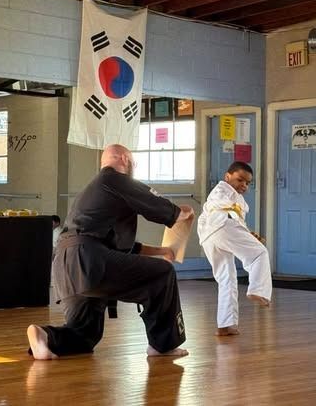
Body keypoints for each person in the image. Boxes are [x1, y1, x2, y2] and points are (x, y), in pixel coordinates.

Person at [27, 144, 194, 360]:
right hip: (88, 259)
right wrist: (181, 213)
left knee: (85, 335)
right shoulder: (114, 179)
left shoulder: (95, 190)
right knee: (163, 274)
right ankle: (162, 346)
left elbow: (118, 249)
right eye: (133, 162)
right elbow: (155, 204)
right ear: (124, 159)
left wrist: (162, 250)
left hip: (67, 266)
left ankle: (44, 336)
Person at [197, 161, 272, 336]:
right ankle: (257, 290)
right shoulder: (221, 190)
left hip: (210, 236)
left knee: (227, 279)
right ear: (227, 176)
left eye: (247, 183)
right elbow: (227, 212)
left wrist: (248, 233)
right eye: (240, 180)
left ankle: (225, 325)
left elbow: (236, 219)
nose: (244, 185)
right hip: (221, 227)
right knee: (260, 253)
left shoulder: (235, 198)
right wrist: (245, 232)